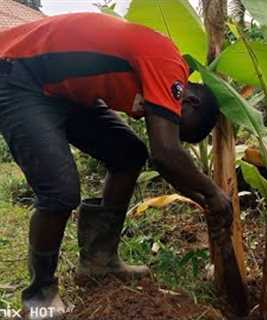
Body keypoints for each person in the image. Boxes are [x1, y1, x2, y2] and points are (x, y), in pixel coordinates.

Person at [0, 12, 232, 320]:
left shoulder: (154, 76)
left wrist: (204, 197)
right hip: (19, 75)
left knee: (128, 155)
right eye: (179, 126)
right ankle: (39, 295)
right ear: (189, 102)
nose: (171, 128)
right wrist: (215, 195)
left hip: (64, 91)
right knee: (60, 192)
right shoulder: (169, 65)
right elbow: (166, 154)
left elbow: (163, 157)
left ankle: (98, 260)